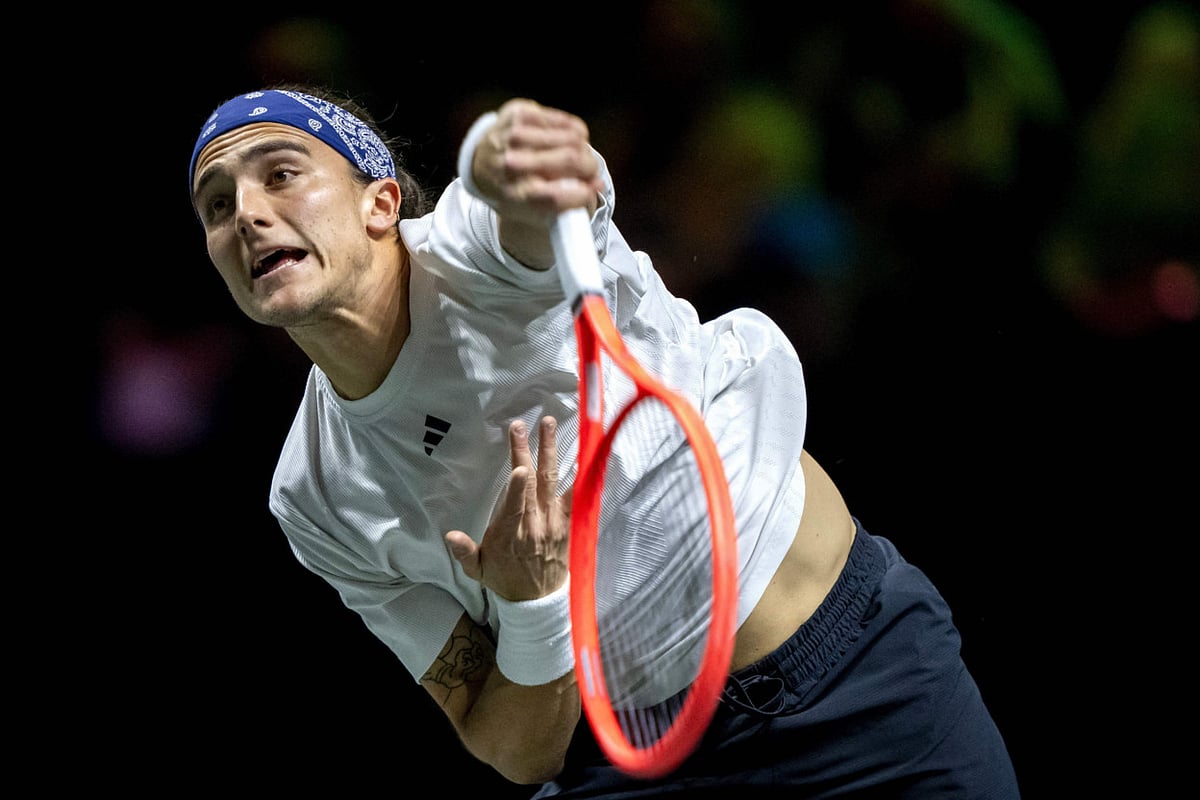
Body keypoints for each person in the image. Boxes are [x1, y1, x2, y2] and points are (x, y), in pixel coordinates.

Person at [189, 84, 1021, 798]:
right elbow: (516, 750)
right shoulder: (311, 494)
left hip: (861, 685)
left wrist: (501, 157)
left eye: (282, 174)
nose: (250, 215)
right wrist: (531, 604)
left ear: (380, 203)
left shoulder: (474, 248)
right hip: (635, 770)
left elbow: (531, 199)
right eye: (218, 206)